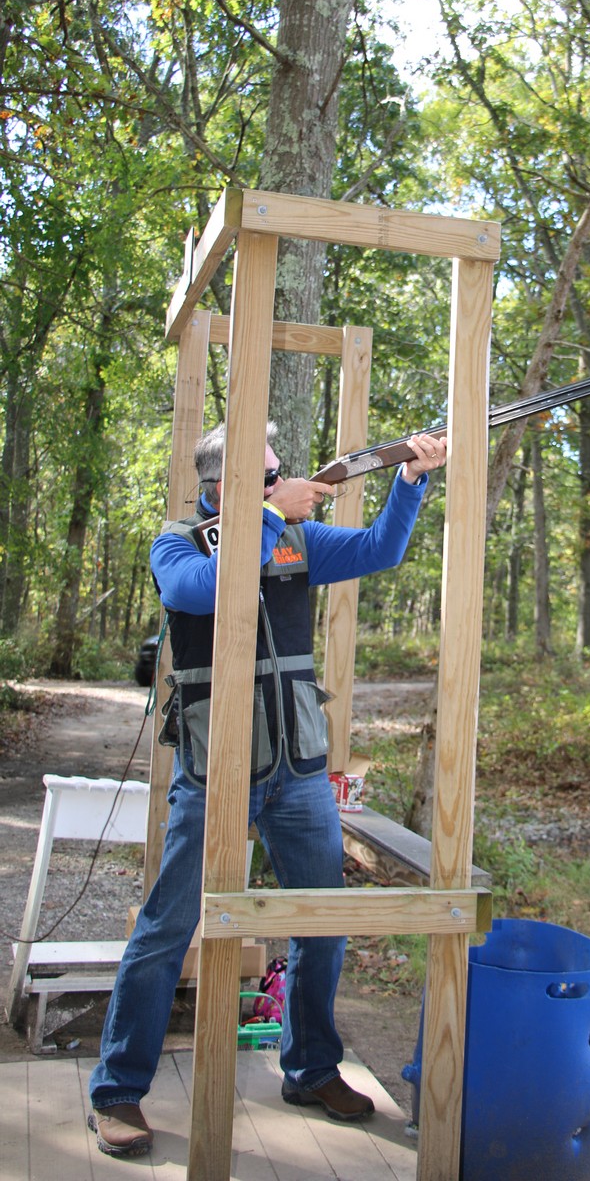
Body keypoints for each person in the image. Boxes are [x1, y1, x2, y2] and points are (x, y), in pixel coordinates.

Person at [87, 420, 447, 1158]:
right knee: (165, 930)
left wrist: (412, 479)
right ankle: (118, 1091)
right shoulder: (178, 545)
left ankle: (310, 1067)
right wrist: (274, 513)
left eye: (281, 471)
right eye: (268, 473)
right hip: (214, 773)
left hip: (299, 773)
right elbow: (204, 592)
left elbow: (381, 550)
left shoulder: (292, 540)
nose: (286, 477)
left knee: (323, 922)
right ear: (224, 487)